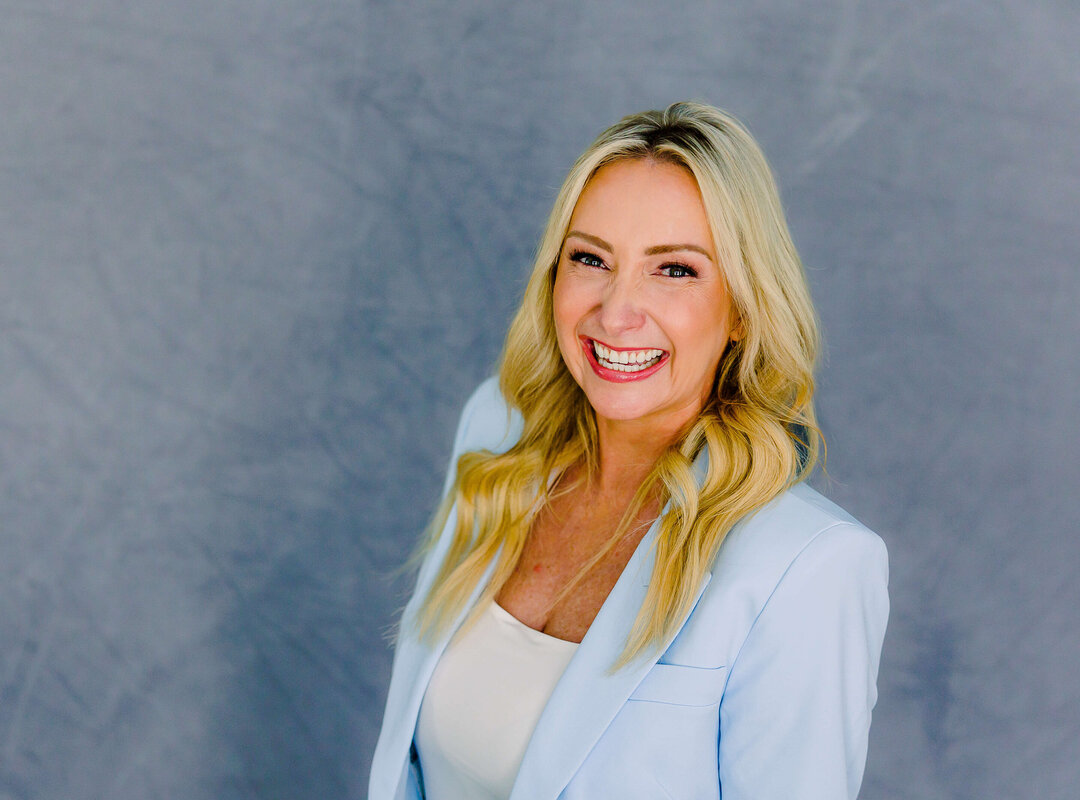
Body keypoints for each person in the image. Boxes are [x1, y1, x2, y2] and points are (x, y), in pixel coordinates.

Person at [368, 101, 889, 800]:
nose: (616, 312)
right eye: (590, 259)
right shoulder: (496, 434)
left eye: (674, 270)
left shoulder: (809, 566)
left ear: (741, 307)